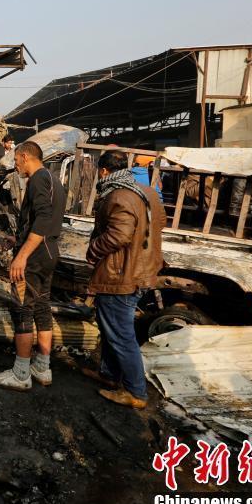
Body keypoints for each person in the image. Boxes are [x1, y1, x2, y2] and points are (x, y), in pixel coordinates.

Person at [84, 150, 164, 409]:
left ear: (104, 171)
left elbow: (119, 235)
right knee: (110, 327)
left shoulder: (118, 196)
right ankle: (109, 375)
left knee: (120, 334)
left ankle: (136, 392)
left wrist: (93, 249)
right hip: (139, 269)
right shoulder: (146, 191)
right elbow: (159, 223)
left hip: (122, 274)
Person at [0, 141, 65, 391]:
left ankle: (21, 373)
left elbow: (43, 217)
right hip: (49, 252)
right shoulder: (53, 180)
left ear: (24, 156)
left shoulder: (37, 180)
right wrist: (18, 237)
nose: (16, 166)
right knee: (42, 307)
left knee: (22, 309)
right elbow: (45, 220)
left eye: (16, 161)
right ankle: (42, 367)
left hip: (33, 257)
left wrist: (21, 255)